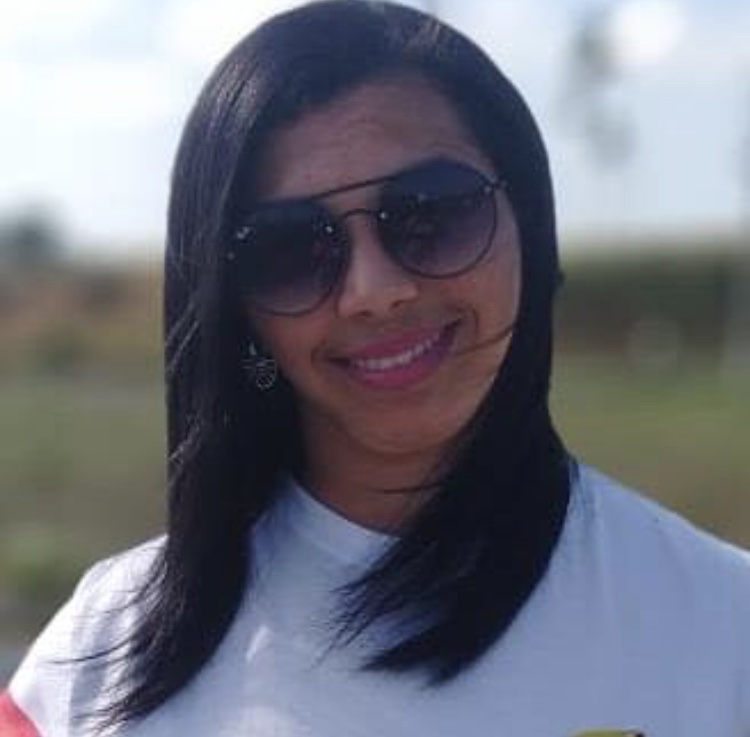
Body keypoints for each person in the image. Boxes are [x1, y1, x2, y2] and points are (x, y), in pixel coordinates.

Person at [3, 1, 750, 735]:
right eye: (291, 249)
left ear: (530, 224)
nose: (375, 291)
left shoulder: (724, 631)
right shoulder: (92, 669)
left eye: (432, 212)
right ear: (237, 312)